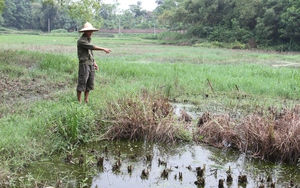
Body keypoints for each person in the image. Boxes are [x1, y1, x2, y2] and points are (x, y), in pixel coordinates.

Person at [77, 22, 111, 103]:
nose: (91, 33)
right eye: (89, 31)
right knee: (82, 82)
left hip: (90, 63)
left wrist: (94, 62)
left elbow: (90, 52)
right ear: (85, 32)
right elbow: (91, 47)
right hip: (84, 64)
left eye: (91, 31)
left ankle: (86, 100)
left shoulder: (89, 40)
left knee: (90, 82)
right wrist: (103, 49)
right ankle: (79, 101)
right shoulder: (81, 41)